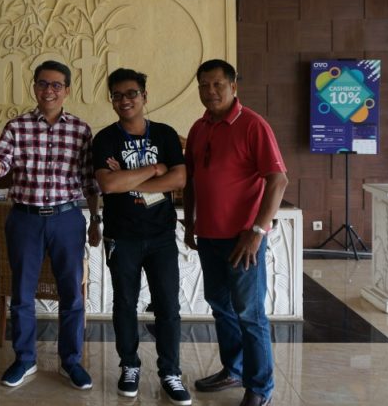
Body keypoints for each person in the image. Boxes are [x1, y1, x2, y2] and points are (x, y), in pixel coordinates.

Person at [0, 60, 100, 390]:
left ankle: (70, 361)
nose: (49, 90)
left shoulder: (80, 130)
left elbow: (90, 182)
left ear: (67, 90)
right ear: (34, 87)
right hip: (25, 219)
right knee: (22, 293)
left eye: (56, 85)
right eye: (43, 84)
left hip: (67, 219)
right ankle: (24, 359)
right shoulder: (17, 127)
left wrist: (95, 221)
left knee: (72, 294)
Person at [183, 59, 288, 406]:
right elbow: (192, 180)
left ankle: (259, 387)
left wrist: (257, 231)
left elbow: (278, 180)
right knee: (221, 307)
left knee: (249, 314)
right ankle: (234, 369)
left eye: (217, 84)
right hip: (208, 237)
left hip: (244, 240)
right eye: (203, 85)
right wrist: (190, 223)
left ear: (233, 87)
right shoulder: (199, 128)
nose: (210, 91)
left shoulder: (253, 125)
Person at [92, 68, 190, 406]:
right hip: (122, 236)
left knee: (168, 306)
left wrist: (129, 178)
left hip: (161, 235)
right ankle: (129, 366)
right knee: (124, 304)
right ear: (112, 100)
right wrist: (153, 169)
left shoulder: (165, 134)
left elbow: (179, 179)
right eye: (117, 95)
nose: (125, 100)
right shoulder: (105, 138)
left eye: (131, 93)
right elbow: (108, 185)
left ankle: (170, 372)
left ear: (144, 96)